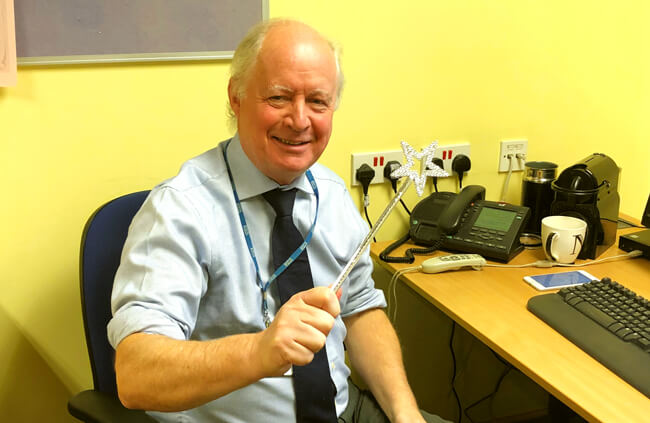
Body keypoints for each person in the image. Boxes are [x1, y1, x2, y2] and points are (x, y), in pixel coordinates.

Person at [108, 18, 449, 423]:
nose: (300, 120)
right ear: (236, 97)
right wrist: (259, 351)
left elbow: (360, 312)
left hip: (343, 412)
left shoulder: (332, 194)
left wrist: (406, 414)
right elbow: (135, 376)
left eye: (318, 102)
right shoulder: (181, 209)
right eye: (279, 97)